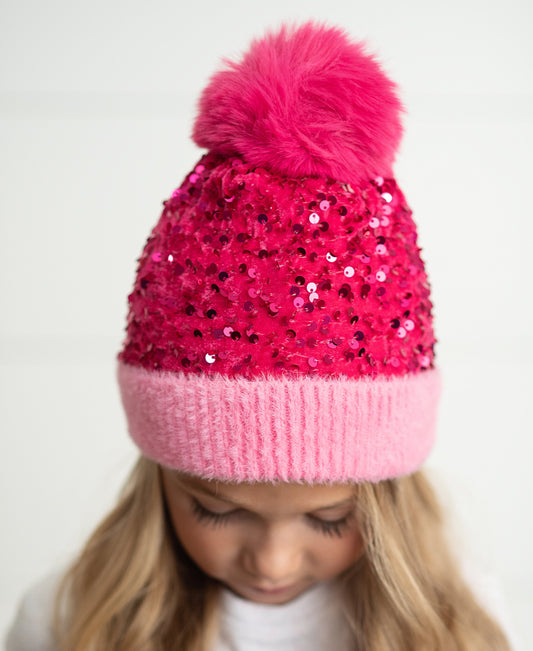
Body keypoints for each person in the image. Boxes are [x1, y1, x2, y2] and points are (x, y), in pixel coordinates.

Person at [5, 20, 514, 651]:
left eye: (331, 519)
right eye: (216, 510)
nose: (272, 562)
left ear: (389, 500)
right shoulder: (66, 620)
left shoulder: (455, 626)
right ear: (159, 476)